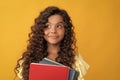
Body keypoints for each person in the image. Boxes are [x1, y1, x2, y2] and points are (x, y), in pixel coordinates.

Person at [15, 6, 89, 80]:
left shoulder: (76, 61)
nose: (53, 31)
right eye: (47, 26)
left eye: (59, 26)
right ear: (41, 29)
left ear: (65, 30)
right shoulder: (28, 58)